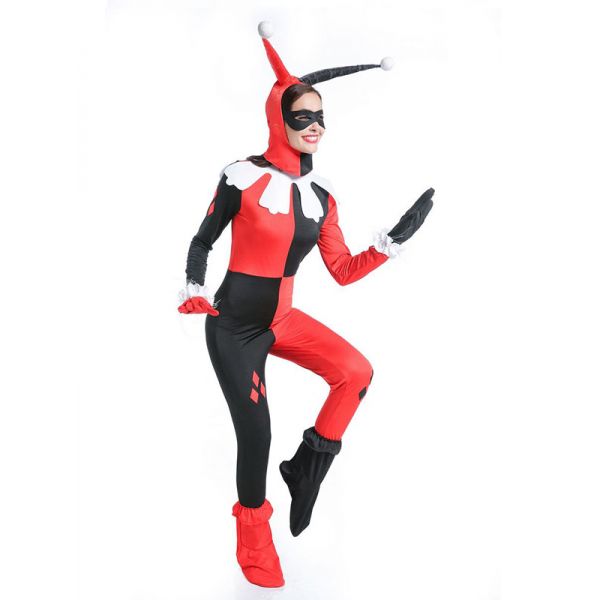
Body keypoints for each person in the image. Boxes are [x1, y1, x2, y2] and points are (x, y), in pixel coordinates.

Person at [178, 21, 435, 588]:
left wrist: (392, 242)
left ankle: (307, 468)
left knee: (356, 373)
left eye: (321, 116)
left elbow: (342, 271)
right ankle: (253, 541)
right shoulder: (241, 177)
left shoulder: (321, 198)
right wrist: (194, 287)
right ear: (279, 119)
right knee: (256, 436)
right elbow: (203, 240)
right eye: (302, 116)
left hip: (283, 320)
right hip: (234, 327)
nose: (315, 126)